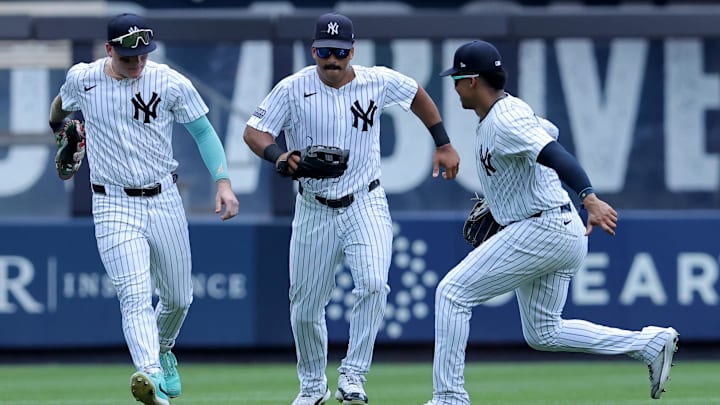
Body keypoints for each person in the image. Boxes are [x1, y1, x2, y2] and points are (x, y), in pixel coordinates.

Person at [424, 40, 679, 404]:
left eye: (458, 78)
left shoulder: (505, 120)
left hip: (542, 227)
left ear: (473, 81)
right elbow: (550, 132)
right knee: (543, 332)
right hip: (555, 228)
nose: (454, 85)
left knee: (452, 293)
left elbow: (554, 152)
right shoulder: (510, 113)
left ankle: (449, 397)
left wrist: (589, 196)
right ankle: (648, 344)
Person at [243, 12, 460, 405]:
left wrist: (442, 143)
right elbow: (254, 131)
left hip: (365, 200)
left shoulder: (376, 80)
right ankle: (312, 387)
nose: (333, 60)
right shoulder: (293, 88)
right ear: (313, 50)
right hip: (314, 207)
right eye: (325, 52)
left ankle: (353, 375)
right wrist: (279, 156)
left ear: (352, 51)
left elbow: (416, 94)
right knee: (306, 307)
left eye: (340, 52)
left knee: (375, 284)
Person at [48, 13, 239, 405]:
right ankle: (151, 377)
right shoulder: (83, 78)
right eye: (127, 57)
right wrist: (59, 130)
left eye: (142, 56)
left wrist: (222, 181)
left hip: (164, 199)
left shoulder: (169, 82)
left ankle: (163, 348)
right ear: (109, 50)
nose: (136, 64)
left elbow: (203, 131)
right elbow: (60, 106)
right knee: (134, 294)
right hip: (112, 202)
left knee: (180, 298)